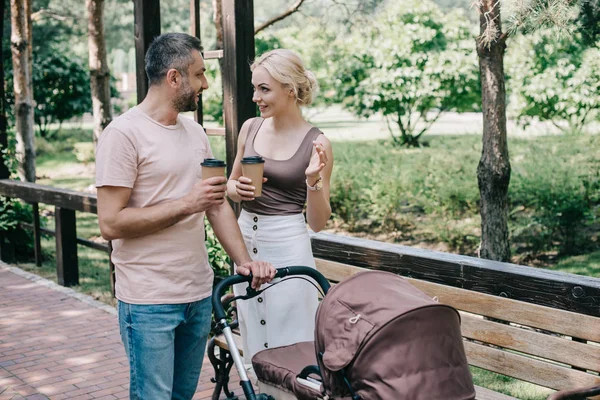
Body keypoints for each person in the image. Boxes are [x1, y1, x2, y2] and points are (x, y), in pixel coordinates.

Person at [95, 33, 276, 400]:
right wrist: (186, 204)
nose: (206, 84)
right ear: (174, 77)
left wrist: (243, 262)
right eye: (200, 75)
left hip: (196, 294)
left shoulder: (195, 133)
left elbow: (214, 203)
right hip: (148, 300)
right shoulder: (123, 134)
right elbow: (110, 223)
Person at [226, 49, 334, 364]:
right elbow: (230, 186)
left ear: (289, 89)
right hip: (246, 243)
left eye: (264, 89)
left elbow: (317, 222)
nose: (256, 97)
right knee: (255, 340)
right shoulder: (250, 128)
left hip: (288, 245)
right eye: (254, 88)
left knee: (293, 341)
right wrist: (237, 188)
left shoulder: (317, 142)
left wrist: (312, 180)